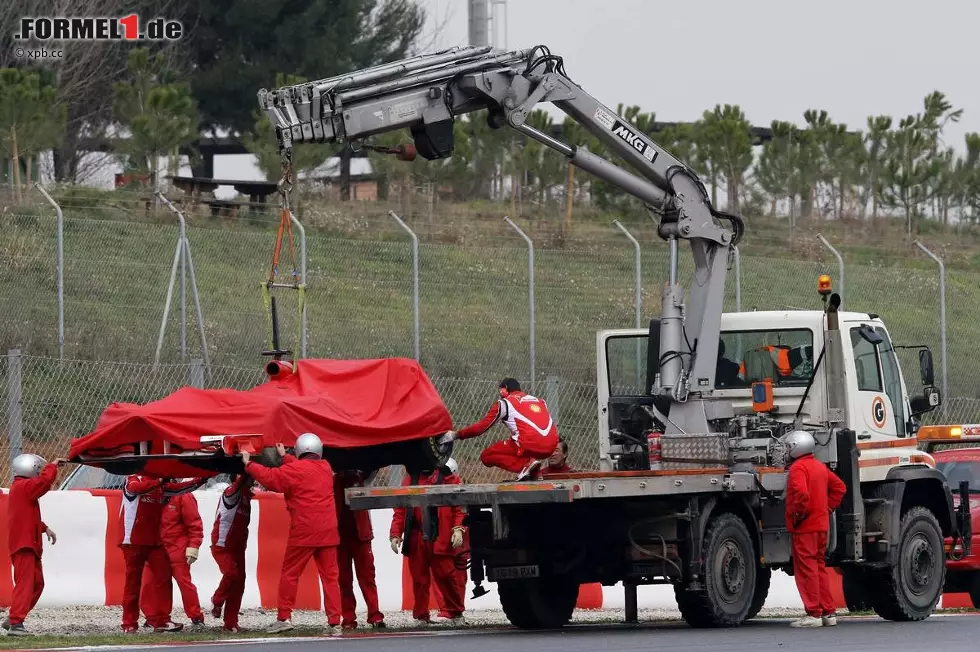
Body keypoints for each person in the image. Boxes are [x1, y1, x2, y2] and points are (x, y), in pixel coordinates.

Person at [243, 435, 343, 636]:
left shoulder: (294, 470)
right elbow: (303, 470)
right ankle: (334, 623)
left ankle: (284, 617)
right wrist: (285, 457)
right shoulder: (325, 467)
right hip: (328, 531)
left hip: (304, 531)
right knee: (330, 578)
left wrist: (249, 464)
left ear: (298, 450)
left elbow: (272, 478)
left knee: (290, 574)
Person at [119, 475, 202, 633]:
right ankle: (130, 623)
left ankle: (165, 620)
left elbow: (182, 492)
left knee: (165, 579)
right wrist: (159, 481)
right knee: (135, 583)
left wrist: (201, 479)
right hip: (133, 541)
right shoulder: (133, 479)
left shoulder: (167, 489)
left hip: (159, 544)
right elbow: (136, 488)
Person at [390, 458, 467, 626]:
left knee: (446, 575)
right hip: (417, 535)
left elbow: (460, 503)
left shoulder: (447, 476)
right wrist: (395, 533)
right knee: (419, 578)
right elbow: (401, 508)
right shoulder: (411, 478)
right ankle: (421, 615)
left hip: (441, 535)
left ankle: (455, 612)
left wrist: (458, 528)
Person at [783, 430, 847, 628]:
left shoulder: (798, 468)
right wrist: (827, 507)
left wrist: (797, 516)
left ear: (796, 448)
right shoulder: (819, 466)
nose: (786, 451)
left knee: (806, 569)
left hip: (805, 528)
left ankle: (813, 613)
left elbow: (801, 494)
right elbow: (840, 488)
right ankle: (828, 612)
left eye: (788, 447)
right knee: (819, 567)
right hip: (821, 526)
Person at [438, 378, 559, 480]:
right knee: (521, 446)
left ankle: (524, 466)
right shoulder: (540, 401)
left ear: (505, 388)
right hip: (551, 446)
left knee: (487, 456)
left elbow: (480, 428)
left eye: (500, 390)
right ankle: (535, 472)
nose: (500, 393)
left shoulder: (505, 403)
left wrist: (456, 435)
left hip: (527, 443)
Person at [4, 454, 62, 636]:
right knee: (26, 584)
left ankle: (14, 617)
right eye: (38, 469)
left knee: (37, 584)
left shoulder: (22, 488)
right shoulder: (24, 486)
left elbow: (27, 514)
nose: (40, 473)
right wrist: (52, 467)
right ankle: (16, 623)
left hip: (29, 544)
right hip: (24, 545)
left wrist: (45, 528)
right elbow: (44, 483)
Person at [140, 490, 205, 629]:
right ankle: (153, 618)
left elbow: (194, 524)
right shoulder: (150, 493)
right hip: (155, 548)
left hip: (176, 549)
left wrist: (193, 546)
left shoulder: (184, 495)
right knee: (149, 584)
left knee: (184, 583)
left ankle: (196, 616)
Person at [334, 470, 385, 631]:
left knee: (368, 578)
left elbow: (375, 467)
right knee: (344, 580)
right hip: (340, 539)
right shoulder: (332, 479)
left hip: (361, 537)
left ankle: (375, 616)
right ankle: (348, 619)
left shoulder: (363, 477)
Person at [210, 474, 255, 633]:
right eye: (250, 478)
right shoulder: (231, 492)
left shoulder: (246, 497)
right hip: (222, 545)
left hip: (238, 547)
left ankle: (230, 623)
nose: (253, 480)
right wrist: (247, 464)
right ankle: (217, 600)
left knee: (239, 584)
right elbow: (242, 479)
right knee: (231, 573)